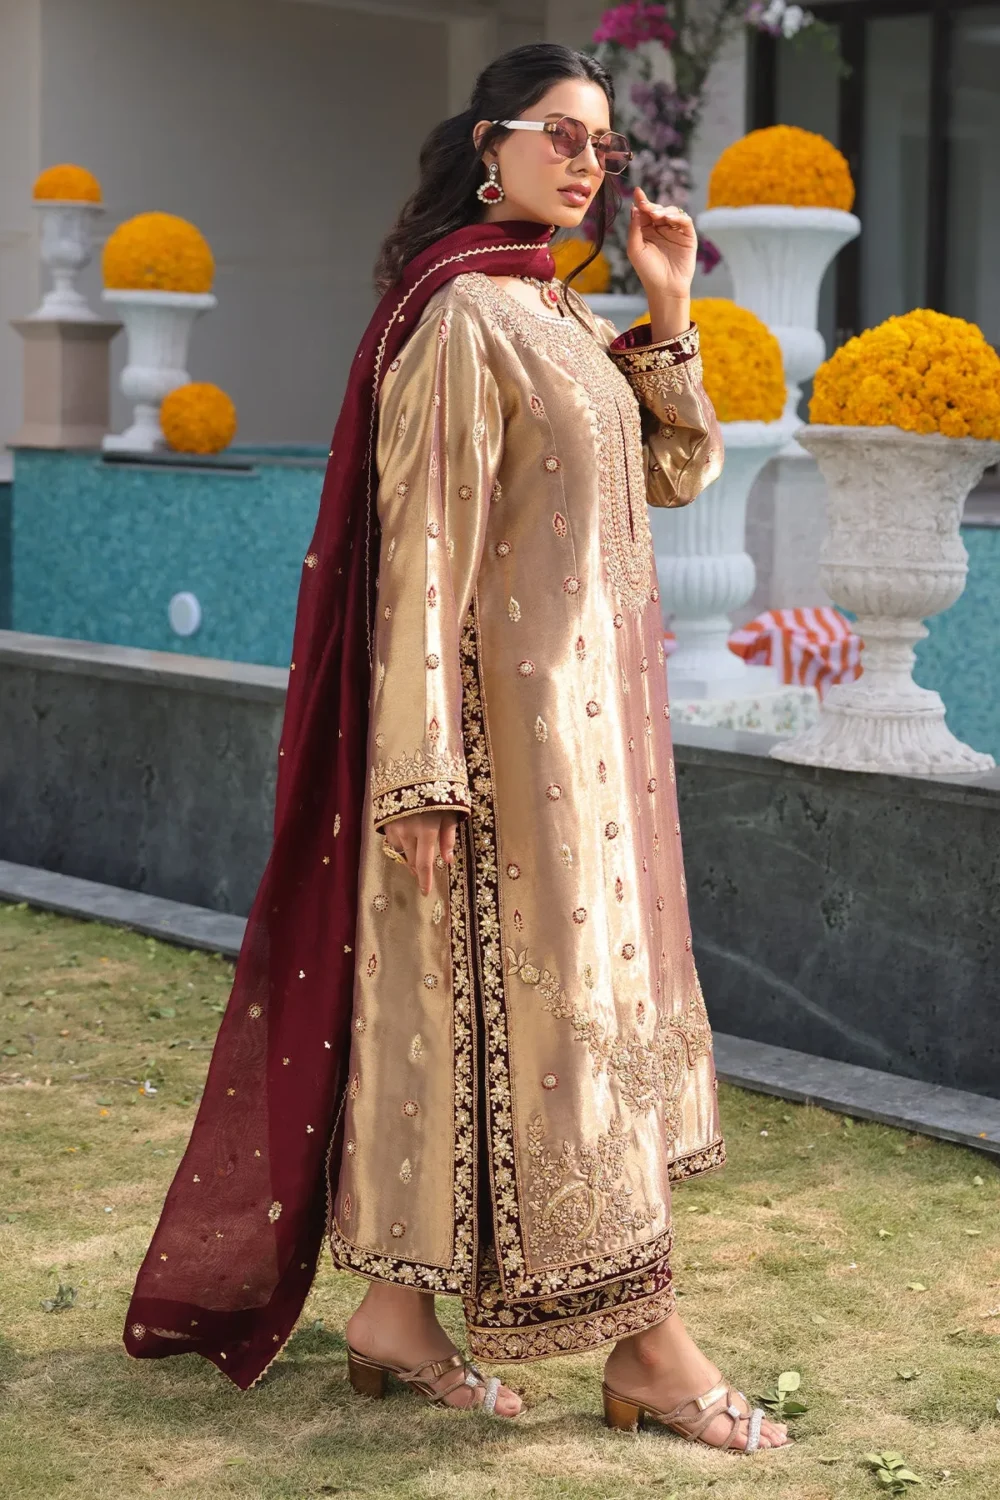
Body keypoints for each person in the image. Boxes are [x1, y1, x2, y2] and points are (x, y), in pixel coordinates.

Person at [124, 42, 790, 1456]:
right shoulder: (459, 322)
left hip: (600, 755)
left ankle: (395, 1320)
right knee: (563, 1049)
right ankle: (647, 1347)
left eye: (604, 145)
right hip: (505, 759)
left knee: (497, 1038)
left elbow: (671, 471)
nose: (588, 161)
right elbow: (422, 557)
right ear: (489, 145)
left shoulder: (555, 315)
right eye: (561, 133)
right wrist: (421, 773)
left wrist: (669, 311)